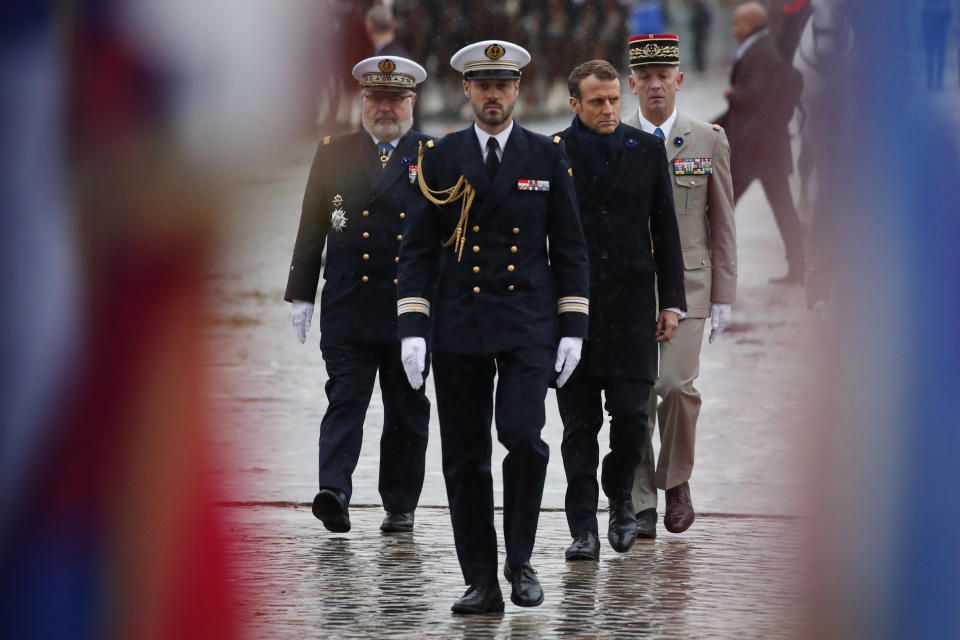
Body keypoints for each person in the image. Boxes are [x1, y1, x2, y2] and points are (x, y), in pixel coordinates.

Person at [397, 40, 590, 614]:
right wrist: (412, 324)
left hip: (528, 321)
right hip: (459, 322)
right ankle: (480, 580)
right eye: (482, 85)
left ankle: (521, 561)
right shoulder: (440, 156)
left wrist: (574, 325)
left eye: (502, 85)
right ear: (466, 91)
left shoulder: (546, 155)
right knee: (462, 454)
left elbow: (571, 248)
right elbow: (417, 250)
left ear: (517, 90)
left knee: (525, 437)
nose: (492, 95)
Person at [284, 56, 432, 535]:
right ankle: (334, 491)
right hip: (349, 303)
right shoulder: (334, 152)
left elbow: (448, 236)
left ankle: (400, 502)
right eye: (375, 98)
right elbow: (312, 225)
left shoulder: (433, 154)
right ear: (362, 101)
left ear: (412, 102)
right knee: (345, 398)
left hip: (408, 310)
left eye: (394, 99)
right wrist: (302, 293)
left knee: (406, 408)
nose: (384, 108)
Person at [554, 59, 686, 561]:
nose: (609, 109)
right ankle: (582, 525)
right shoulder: (554, 154)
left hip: (633, 308)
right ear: (575, 105)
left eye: (613, 99)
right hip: (574, 311)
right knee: (578, 426)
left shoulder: (647, 149)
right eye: (597, 101)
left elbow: (665, 230)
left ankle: (620, 499)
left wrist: (672, 301)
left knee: (632, 418)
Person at [623, 34, 737, 536]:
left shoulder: (706, 139)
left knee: (675, 386)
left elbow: (722, 221)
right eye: (644, 78)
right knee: (636, 394)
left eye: (662, 77)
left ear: (679, 81)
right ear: (632, 83)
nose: (654, 86)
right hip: (631, 290)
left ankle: (677, 482)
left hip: (689, 288)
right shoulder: (615, 139)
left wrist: (724, 296)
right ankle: (641, 500)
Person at [716, 1, 804, 284]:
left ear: (751, 24)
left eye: (737, 24)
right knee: (780, 208)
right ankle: (799, 267)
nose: (733, 30)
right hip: (765, 148)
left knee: (721, 207)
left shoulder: (762, 51)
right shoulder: (759, 47)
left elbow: (756, 95)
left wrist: (733, 93)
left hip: (755, 148)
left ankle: (706, 268)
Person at [921, 0, 953, 91]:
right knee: (939, 58)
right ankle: (937, 84)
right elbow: (949, 14)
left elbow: (923, 18)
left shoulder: (927, 4)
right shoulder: (943, 3)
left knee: (931, 58)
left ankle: (931, 84)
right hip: (940, 31)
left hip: (931, 32)